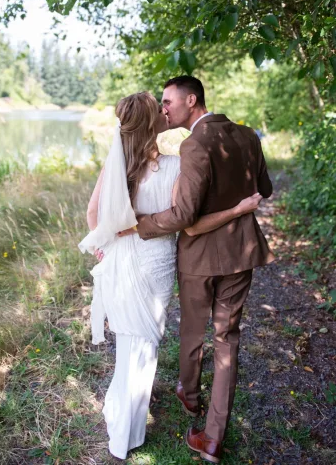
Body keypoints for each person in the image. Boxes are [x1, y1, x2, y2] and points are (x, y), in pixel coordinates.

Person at [79, 91, 265, 461]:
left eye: (167, 103)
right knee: (146, 344)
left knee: (131, 343)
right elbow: (189, 224)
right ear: (155, 124)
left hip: (126, 259)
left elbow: (93, 214)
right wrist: (238, 208)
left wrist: (106, 245)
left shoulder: (119, 163)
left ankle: (128, 411)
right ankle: (131, 431)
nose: (166, 111)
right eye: (160, 108)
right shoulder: (175, 165)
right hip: (157, 261)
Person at [136, 76, 274, 464]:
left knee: (194, 330)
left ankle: (190, 395)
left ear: (191, 100)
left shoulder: (194, 144)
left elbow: (184, 215)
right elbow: (265, 187)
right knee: (227, 339)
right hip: (240, 253)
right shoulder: (248, 136)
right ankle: (213, 438)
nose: (163, 108)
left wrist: (138, 224)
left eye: (167, 101)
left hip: (199, 258)